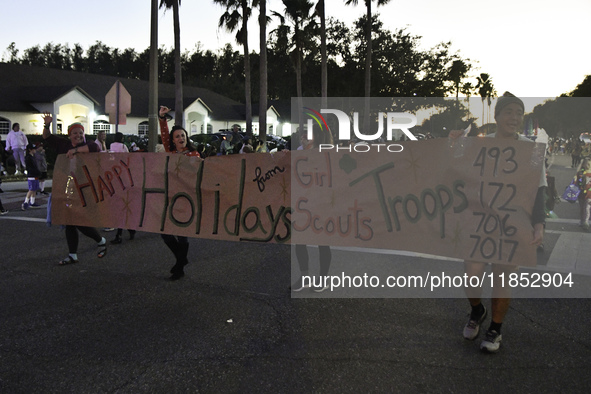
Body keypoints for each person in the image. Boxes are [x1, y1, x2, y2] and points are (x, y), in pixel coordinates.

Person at [451, 92, 546, 353]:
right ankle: (476, 310)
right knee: (472, 274)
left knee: (502, 277)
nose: (514, 117)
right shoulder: (480, 144)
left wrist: (539, 223)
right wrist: (455, 144)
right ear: (497, 116)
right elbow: (454, 169)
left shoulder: (532, 149)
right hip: (478, 221)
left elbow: (538, 189)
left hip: (511, 223)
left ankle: (495, 329)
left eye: (519, 112)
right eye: (508, 112)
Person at [41, 112, 108, 265]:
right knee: (69, 221)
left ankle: (100, 239)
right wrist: (46, 124)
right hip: (66, 188)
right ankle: (73, 255)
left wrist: (76, 150)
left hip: (83, 190)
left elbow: (94, 148)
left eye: (81, 133)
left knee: (78, 221)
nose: (78, 135)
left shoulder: (89, 145)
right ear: (69, 135)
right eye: (75, 133)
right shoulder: (63, 145)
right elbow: (47, 137)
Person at [159, 105, 200, 280]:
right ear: (173, 141)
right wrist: (162, 118)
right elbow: (163, 134)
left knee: (182, 233)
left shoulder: (195, 154)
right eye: (177, 136)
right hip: (171, 198)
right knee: (164, 231)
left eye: (183, 135)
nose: (181, 138)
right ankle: (181, 260)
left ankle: (179, 267)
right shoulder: (171, 153)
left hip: (187, 199)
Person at [292, 123, 334, 293]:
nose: (303, 136)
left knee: (322, 243)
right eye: (302, 134)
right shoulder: (298, 151)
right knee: (300, 241)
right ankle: (304, 278)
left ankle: (323, 279)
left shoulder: (325, 152)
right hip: (302, 203)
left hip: (321, 204)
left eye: (307, 134)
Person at [107, 132, 136, 244]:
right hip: (123, 177)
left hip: (114, 176)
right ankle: (130, 229)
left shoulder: (111, 146)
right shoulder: (124, 147)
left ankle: (120, 233)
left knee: (119, 207)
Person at [22, 143, 42, 210]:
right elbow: (29, 167)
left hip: (34, 174)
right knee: (31, 189)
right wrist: (36, 171)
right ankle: (26, 202)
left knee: (34, 189)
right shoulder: (28, 158)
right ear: (30, 150)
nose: (35, 150)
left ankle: (32, 202)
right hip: (31, 175)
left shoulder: (32, 157)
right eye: (33, 149)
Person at [576, 159, 591, 231]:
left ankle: (584, 221)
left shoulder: (580, 172)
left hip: (583, 192)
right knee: (585, 207)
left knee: (584, 207)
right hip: (586, 192)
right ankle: (584, 221)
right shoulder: (582, 173)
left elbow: (577, 182)